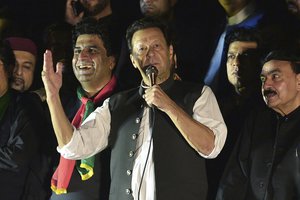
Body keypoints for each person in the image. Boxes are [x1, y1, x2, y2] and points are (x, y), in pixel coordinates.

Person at [42, 17, 227, 200]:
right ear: (132, 60)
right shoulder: (117, 103)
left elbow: (211, 147)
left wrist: (169, 106)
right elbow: (73, 147)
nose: (150, 54)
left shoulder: (198, 94)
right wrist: (52, 97)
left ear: (170, 52)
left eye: (157, 46)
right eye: (141, 49)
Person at [216, 47, 300, 199]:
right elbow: (234, 179)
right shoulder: (256, 121)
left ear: (299, 81)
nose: (266, 86)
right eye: (263, 79)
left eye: (275, 76)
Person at [49, 18, 118, 200]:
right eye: (77, 51)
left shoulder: (124, 103)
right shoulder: (63, 101)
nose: (82, 57)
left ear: (111, 61)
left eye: (92, 50)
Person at [206, 27, 265, 199]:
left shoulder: (267, 109)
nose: (236, 63)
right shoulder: (212, 103)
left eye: (246, 56)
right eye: (231, 56)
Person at [0, 40, 52, 199]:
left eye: (27, 67)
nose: (18, 72)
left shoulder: (28, 104)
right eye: (15, 65)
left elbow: (18, 155)